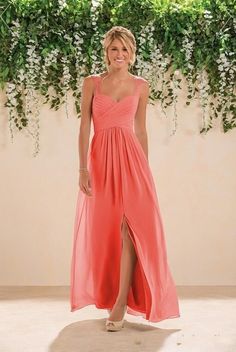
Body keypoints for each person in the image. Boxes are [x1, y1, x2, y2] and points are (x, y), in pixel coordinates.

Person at [70, 26, 180, 332]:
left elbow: (141, 130)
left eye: (125, 50)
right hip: (101, 162)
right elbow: (84, 128)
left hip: (133, 162)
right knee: (110, 231)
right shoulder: (92, 83)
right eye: (114, 49)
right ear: (106, 52)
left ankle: (120, 304)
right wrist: (82, 169)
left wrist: (145, 168)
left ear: (132, 54)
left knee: (131, 229)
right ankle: (114, 297)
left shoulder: (141, 85)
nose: (119, 55)